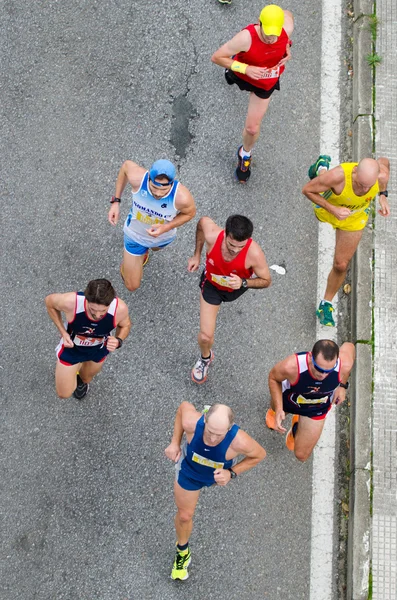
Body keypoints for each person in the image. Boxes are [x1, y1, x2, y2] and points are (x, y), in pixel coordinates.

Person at [165, 402, 266, 580]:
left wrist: (231, 473)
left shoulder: (239, 441)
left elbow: (259, 455)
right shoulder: (192, 423)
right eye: (209, 431)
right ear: (204, 418)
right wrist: (174, 443)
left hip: (216, 476)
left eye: (218, 435)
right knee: (184, 516)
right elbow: (182, 408)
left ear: (229, 429)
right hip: (190, 473)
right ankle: (182, 552)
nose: (212, 439)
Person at [303, 155, 390, 326]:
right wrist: (333, 209)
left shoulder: (382, 175)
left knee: (341, 264)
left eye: (369, 186)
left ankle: (326, 304)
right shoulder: (339, 176)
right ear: (355, 171)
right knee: (321, 183)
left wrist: (382, 195)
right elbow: (307, 190)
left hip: (353, 218)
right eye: (360, 184)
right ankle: (322, 168)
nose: (365, 190)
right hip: (329, 208)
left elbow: (384, 161)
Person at [211, 5, 294, 182]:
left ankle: (245, 154)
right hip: (243, 73)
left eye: (275, 33)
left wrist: (287, 46)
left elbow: (287, 14)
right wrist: (245, 68)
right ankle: (231, 72)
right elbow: (217, 57)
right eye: (267, 33)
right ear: (259, 23)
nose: (272, 38)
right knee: (231, 73)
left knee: (252, 128)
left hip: (265, 84)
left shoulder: (286, 28)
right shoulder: (245, 38)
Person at [188, 214, 271, 383]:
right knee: (205, 336)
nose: (234, 250)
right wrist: (196, 254)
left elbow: (266, 281)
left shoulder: (254, 253)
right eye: (231, 244)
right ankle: (205, 358)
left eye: (240, 247)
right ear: (225, 233)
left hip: (235, 288)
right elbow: (201, 223)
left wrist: (244, 282)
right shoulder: (212, 234)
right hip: (212, 286)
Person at [108, 159, 196, 291]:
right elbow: (125, 166)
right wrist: (116, 201)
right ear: (148, 177)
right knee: (131, 285)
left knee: (154, 248)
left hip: (162, 237)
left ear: (172, 184)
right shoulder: (138, 177)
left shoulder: (182, 197)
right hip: (134, 235)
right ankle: (132, 260)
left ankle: (143, 253)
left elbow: (190, 213)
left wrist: (166, 227)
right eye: (154, 187)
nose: (158, 193)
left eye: (164, 190)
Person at [266, 339, 355, 461]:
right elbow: (273, 378)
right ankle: (275, 411)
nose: (323, 375)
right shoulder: (291, 366)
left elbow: (350, 346)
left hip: (317, 407)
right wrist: (279, 408)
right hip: (290, 400)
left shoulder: (344, 364)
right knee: (276, 408)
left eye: (328, 371)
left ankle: (296, 428)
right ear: (310, 357)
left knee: (301, 455)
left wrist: (342, 386)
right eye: (319, 369)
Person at [45, 279, 131, 399]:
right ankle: (71, 370)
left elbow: (125, 325)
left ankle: (79, 378)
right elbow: (49, 302)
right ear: (86, 299)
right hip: (72, 349)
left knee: (86, 378)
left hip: (98, 349)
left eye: (103, 311)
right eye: (93, 310)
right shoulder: (71, 302)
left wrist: (118, 340)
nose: (97, 315)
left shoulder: (120, 309)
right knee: (63, 394)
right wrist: (63, 332)